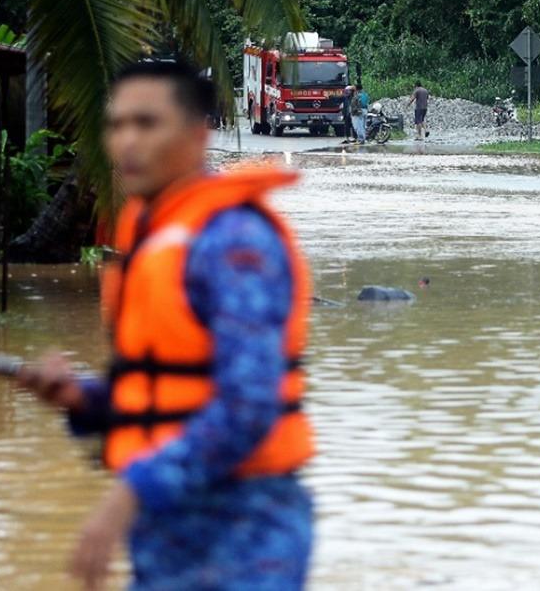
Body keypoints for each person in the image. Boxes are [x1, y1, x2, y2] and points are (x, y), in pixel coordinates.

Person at [16, 60, 315, 590]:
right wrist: (82, 400)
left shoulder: (233, 241)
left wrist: (130, 493)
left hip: (243, 533)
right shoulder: (150, 235)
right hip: (166, 531)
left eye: (147, 124)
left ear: (200, 133)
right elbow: (168, 394)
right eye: (116, 124)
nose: (127, 141)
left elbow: (247, 408)